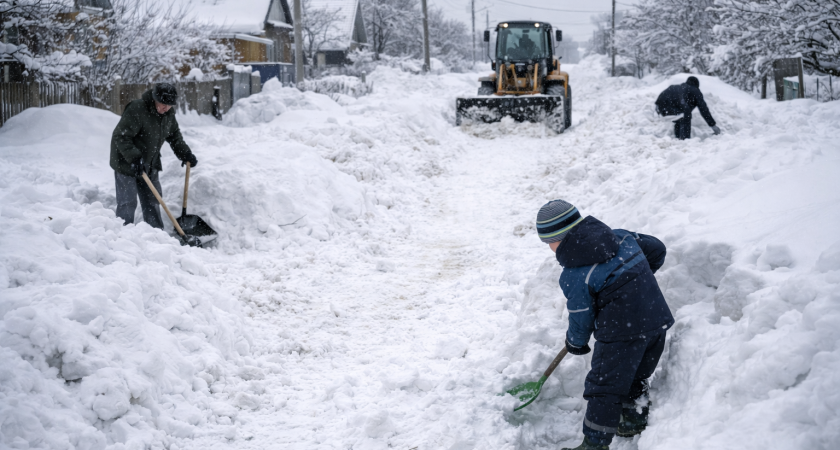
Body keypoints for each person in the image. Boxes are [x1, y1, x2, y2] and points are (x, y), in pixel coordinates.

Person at [535, 199, 675, 450]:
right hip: (656, 320)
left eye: (548, 242)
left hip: (621, 333)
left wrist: (575, 343)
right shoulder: (620, 237)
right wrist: (633, 280)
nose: (549, 248)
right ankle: (633, 418)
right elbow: (657, 249)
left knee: (603, 387)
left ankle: (594, 445)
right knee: (636, 373)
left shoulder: (575, 274)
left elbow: (581, 317)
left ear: (560, 238)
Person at [110, 83, 198, 228]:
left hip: (149, 161)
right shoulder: (137, 109)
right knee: (128, 202)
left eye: (170, 105)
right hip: (126, 161)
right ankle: (123, 234)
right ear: (154, 98)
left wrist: (185, 153)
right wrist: (134, 157)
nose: (167, 108)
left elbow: (174, 136)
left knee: (153, 199)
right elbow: (120, 136)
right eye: (164, 104)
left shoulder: (168, 114)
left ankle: (156, 233)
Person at [655, 76, 721, 140]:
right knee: (686, 113)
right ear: (697, 85)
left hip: (661, 109)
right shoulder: (695, 90)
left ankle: (678, 138)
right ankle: (685, 140)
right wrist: (712, 125)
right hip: (670, 108)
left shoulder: (677, 87)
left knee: (681, 116)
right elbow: (703, 109)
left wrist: (659, 109)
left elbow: (661, 98)